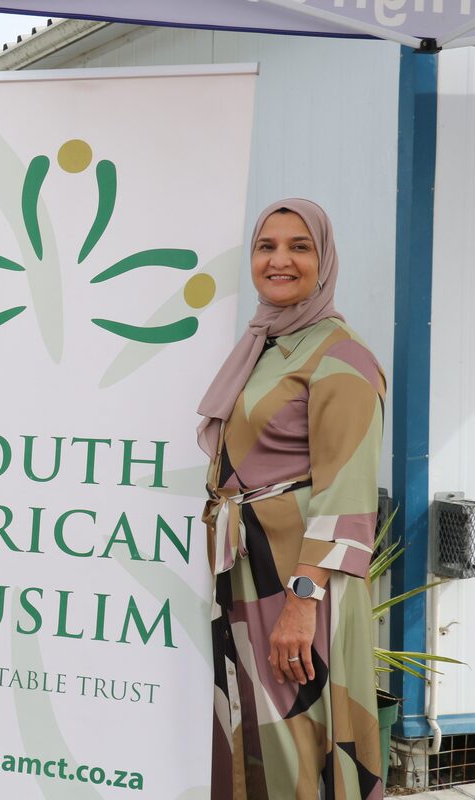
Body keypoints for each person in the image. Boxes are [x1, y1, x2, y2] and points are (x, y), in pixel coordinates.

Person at [198, 198, 385, 799]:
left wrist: (302, 603)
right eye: (266, 246)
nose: (279, 260)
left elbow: (349, 493)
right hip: (250, 576)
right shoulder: (267, 346)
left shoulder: (341, 357)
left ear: (324, 259)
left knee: (297, 742)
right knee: (253, 738)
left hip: (298, 589)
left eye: (299, 247)